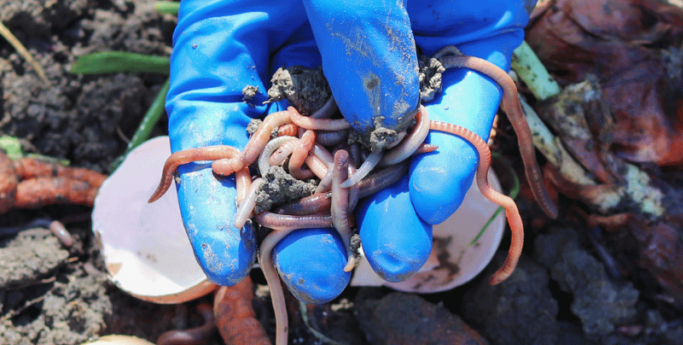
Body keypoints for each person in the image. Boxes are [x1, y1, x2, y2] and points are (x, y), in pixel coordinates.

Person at [165, 0, 534, 303]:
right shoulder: (298, 145)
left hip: (332, 146)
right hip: (311, 148)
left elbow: (338, 157)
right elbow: (316, 151)